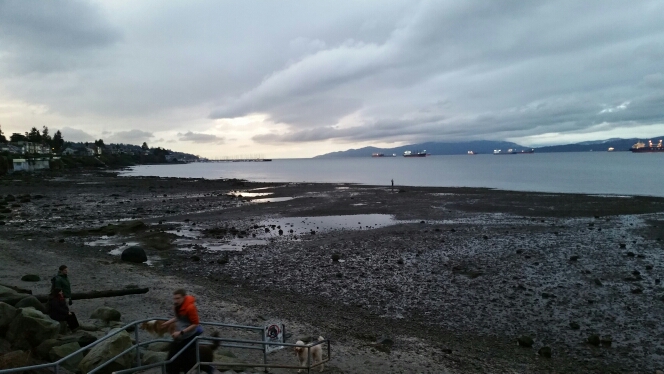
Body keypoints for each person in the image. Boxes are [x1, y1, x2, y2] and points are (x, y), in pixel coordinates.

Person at [163, 289, 204, 374]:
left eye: (178, 298)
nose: (176, 301)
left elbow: (195, 324)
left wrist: (181, 332)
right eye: (174, 298)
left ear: (184, 297)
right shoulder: (176, 306)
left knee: (186, 359)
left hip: (189, 337)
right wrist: (167, 323)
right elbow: (178, 318)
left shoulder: (190, 308)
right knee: (172, 358)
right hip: (180, 336)